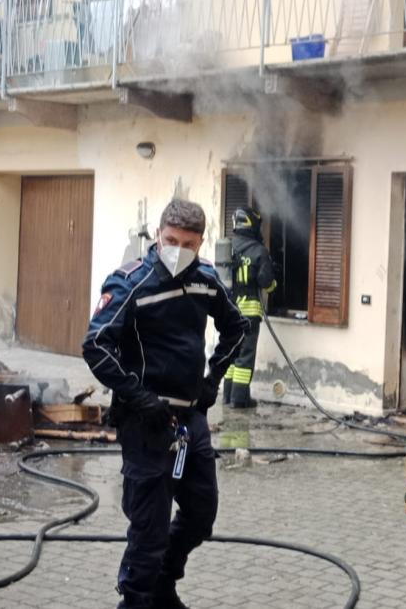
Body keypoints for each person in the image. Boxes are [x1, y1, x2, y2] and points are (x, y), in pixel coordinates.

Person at [83, 198, 248, 609]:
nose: (178, 250)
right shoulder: (130, 282)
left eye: (188, 243)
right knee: (148, 531)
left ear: (201, 243)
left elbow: (237, 328)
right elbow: (95, 346)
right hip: (146, 421)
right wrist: (138, 398)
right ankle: (136, 599)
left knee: (201, 514)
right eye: (171, 240)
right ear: (157, 235)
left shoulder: (206, 279)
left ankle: (162, 585)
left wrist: (212, 382)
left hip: (190, 418)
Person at [223, 207, 276, 409]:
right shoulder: (258, 250)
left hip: (228, 312)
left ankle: (227, 396)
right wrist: (274, 285)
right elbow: (265, 281)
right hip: (249, 313)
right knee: (245, 357)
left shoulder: (228, 247)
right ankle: (239, 399)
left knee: (231, 355)